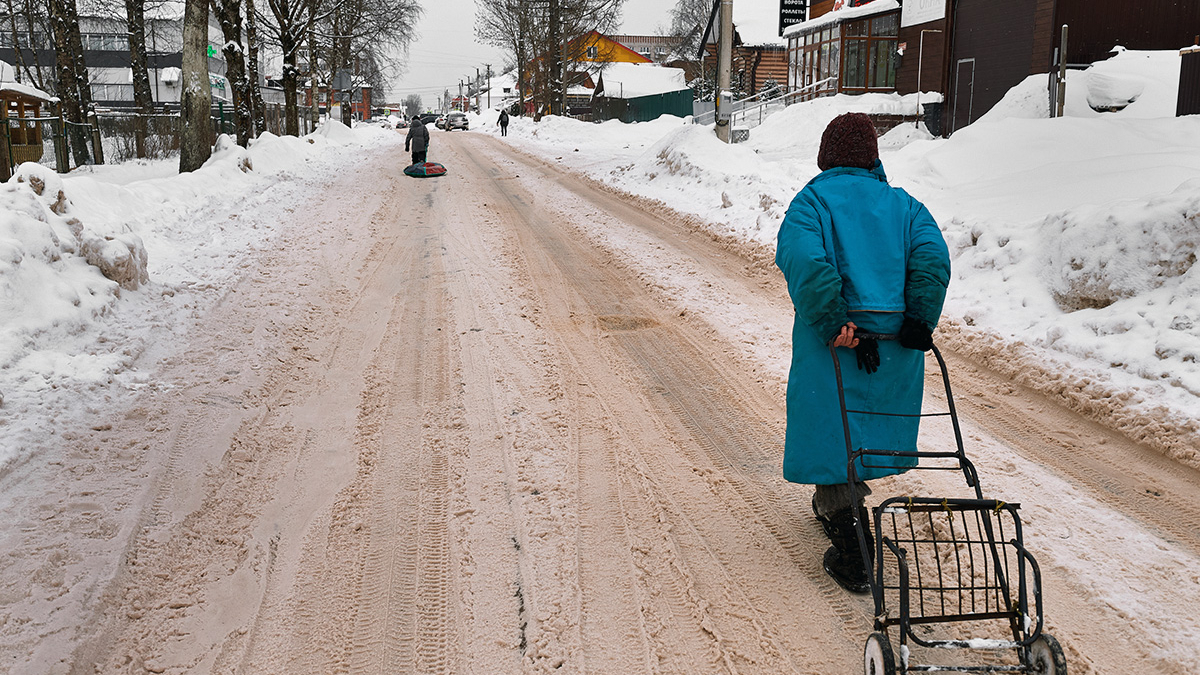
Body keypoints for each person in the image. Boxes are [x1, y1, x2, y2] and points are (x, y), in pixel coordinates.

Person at [775, 112, 951, 593]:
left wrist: (834, 320)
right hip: (895, 346)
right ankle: (833, 501)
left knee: (832, 431)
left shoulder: (811, 203)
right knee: (868, 428)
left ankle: (854, 551)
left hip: (837, 340)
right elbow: (932, 256)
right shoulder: (906, 206)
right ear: (872, 156)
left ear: (826, 157)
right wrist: (918, 317)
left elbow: (805, 260)